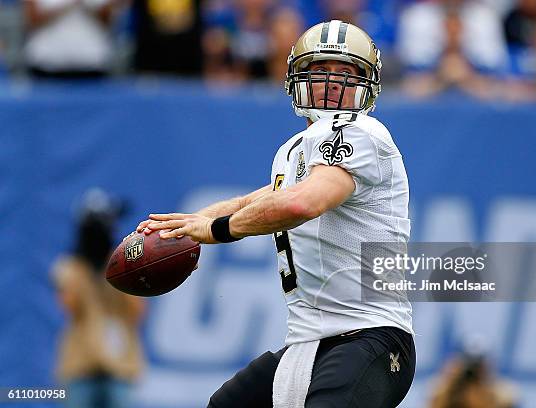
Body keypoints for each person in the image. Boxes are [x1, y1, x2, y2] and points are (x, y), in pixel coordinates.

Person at [138, 20, 416, 407]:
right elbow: (252, 201)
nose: (333, 83)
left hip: (368, 336)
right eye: (321, 71)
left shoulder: (363, 132)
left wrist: (216, 230)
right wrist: (186, 225)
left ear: (366, 84)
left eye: (346, 73)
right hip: (308, 341)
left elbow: (302, 203)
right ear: (296, 79)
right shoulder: (295, 149)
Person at [53, 189, 145, 408]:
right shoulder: (71, 268)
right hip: (81, 366)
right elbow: (70, 305)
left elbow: (137, 311)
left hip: (119, 366)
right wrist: (85, 264)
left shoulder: (122, 263)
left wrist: (118, 267)